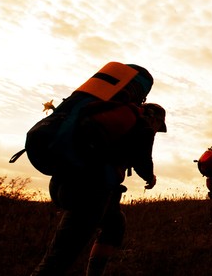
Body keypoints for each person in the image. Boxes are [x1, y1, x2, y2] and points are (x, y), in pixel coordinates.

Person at [32, 64, 166, 276]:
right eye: (160, 124)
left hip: (64, 179)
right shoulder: (141, 123)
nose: (159, 128)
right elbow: (143, 159)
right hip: (90, 188)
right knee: (58, 260)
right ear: (156, 117)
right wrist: (149, 177)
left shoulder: (102, 109)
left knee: (114, 224)